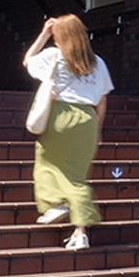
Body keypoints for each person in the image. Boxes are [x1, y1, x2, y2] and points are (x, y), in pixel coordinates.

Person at [23, 15, 113, 250]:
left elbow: (28, 60)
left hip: (60, 116)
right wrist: (98, 130)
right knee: (78, 176)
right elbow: (102, 101)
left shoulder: (54, 56)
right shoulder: (98, 63)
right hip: (87, 120)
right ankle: (80, 233)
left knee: (46, 163)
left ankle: (54, 203)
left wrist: (44, 33)